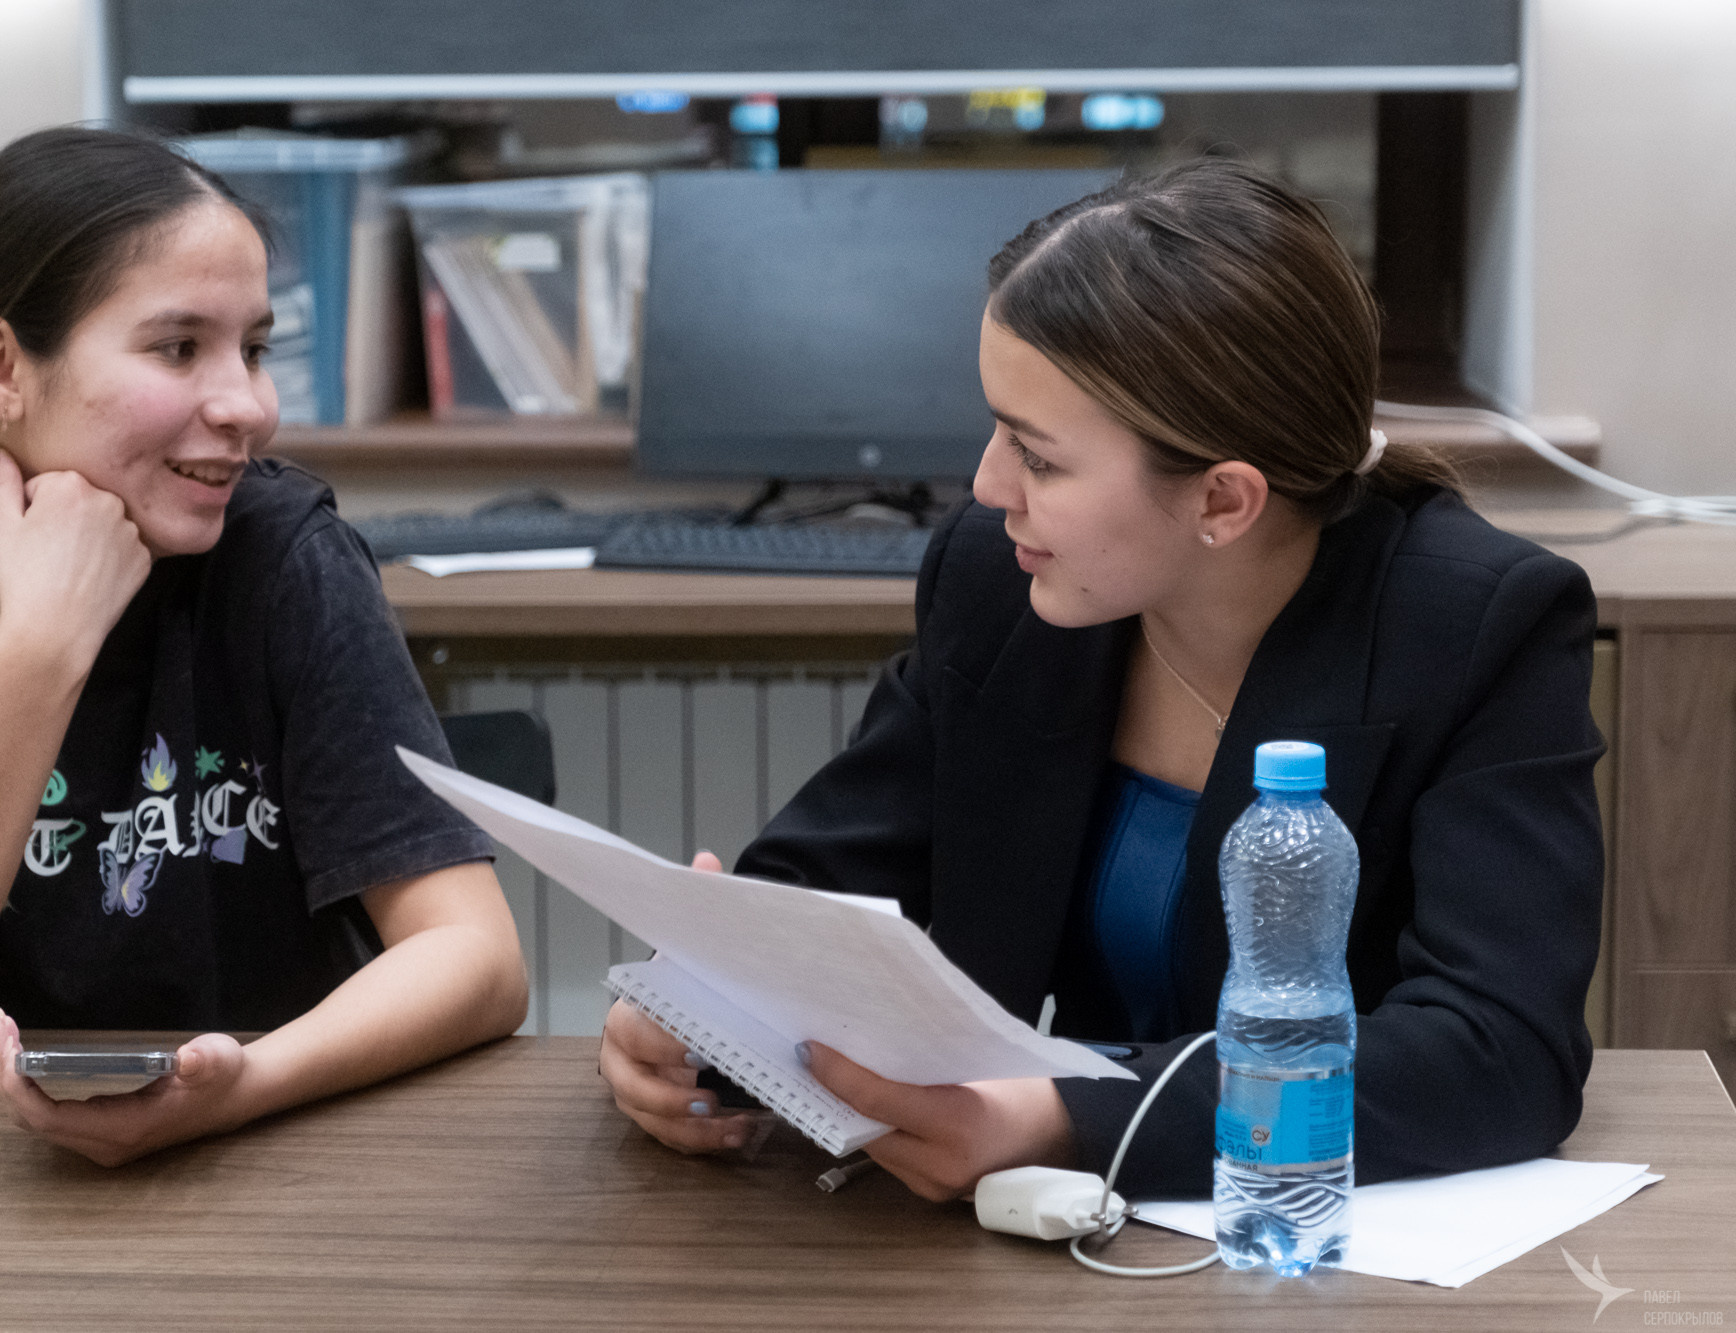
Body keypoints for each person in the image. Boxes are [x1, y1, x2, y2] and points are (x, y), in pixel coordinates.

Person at [598, 159, 1604, 1202]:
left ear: (1222, 500)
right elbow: (828, 882)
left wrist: (1063, 1120)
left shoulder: (1476, 624)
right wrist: (695, 1014)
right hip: (1043, 1250)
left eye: (1037, 457)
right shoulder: (1000, 583)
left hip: (1327, 1238)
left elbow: (1498, 1048)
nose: (987, 489)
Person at [0, 126, 528, 1166]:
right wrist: (41, 644)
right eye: (178, 348)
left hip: (270, 1154)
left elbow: (476, 959)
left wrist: (242, 1087)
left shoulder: (284, 553)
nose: (248, 407)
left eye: (253, 349)